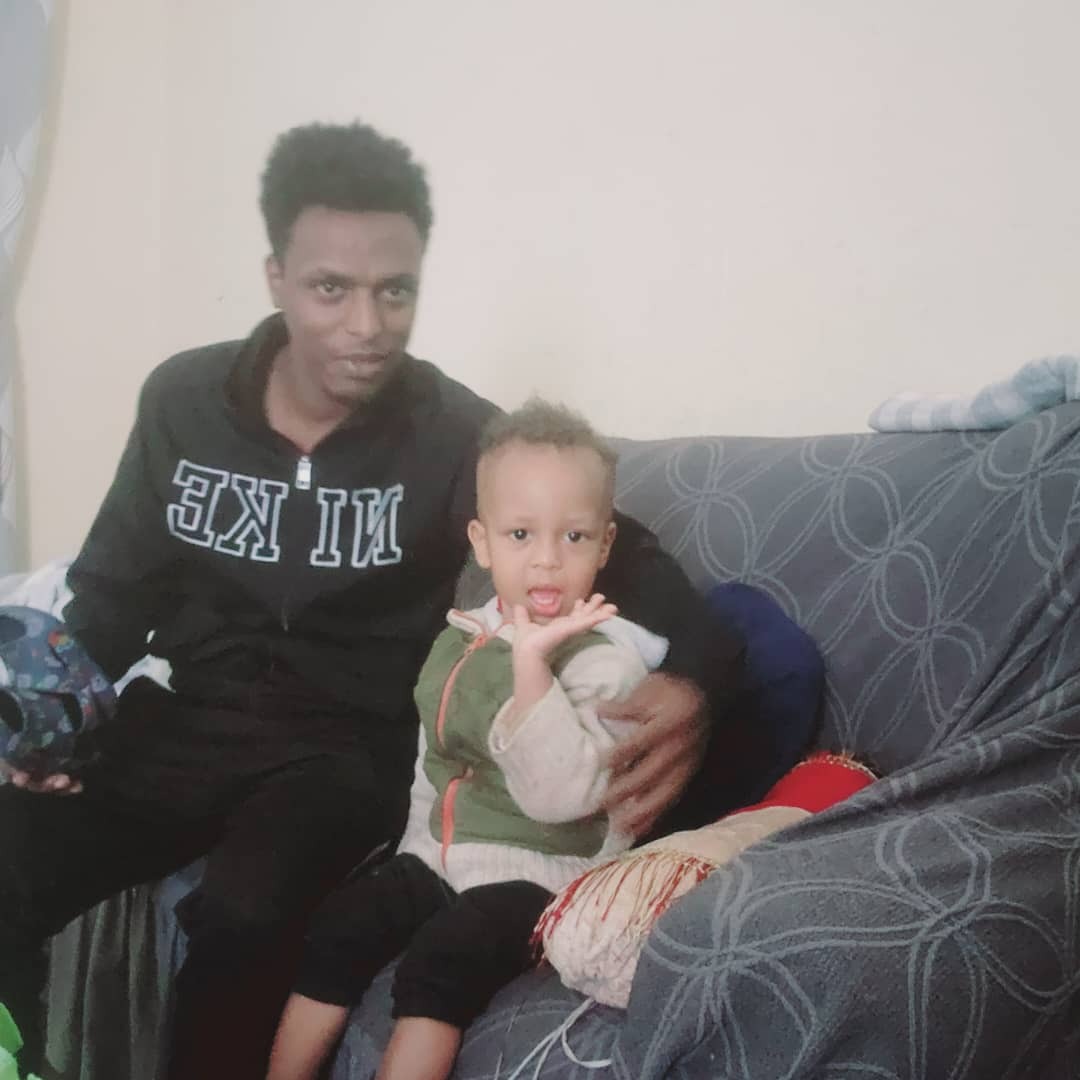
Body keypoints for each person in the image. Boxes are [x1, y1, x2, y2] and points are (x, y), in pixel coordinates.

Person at [0, 121, 742, 1080]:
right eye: (330, 289)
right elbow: (108, 591)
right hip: (185, 716)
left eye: (395, 290)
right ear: (277, 277)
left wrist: (699, 683)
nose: (366, 325)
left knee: (248, 910)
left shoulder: (456, 432)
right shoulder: (182, 399)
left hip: (345, 748)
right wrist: (46, 724)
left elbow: (624, 554)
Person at [266, 399, 666, 1080]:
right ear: (482, 543)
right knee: (342, 926)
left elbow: (559, 799)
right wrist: (413, 853)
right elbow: (434, 762)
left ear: (604, 546)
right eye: (521, 535)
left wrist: (532, 670)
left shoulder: (607, 662)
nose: (546, 561)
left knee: (443, 960)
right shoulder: (462, 637)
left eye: (573, 537)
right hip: (444, 853)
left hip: (544, 873)